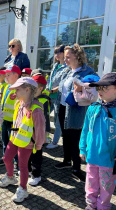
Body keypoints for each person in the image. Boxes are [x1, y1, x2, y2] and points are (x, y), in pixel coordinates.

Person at [52, 44, 97, 182]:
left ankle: (76, 168)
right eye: (64, 57)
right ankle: (66, 161)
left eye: (67, 57)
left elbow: (96, 85)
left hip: (76, 110)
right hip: (62, 107)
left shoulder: (87, 72)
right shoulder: (67, 70)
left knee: (75, 138)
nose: (65, 60)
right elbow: (58, 82)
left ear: (77, 56)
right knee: (65, 136)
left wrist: (83, 86)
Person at [0, 77, 45, 203]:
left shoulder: (36, 109)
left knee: (23, 166)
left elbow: (40, 129)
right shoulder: (18, 104)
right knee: (6, 158)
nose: (14, 93)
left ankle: (23, 189)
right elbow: (16, 120)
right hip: (15, 138)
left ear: (27, 90)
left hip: (27, 142)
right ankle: (10, 177)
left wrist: (39, 144)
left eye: (17, 90)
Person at [79, 73, 116, 210]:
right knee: (91, 184)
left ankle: (103, 206)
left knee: (107, 187)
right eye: (99, 88)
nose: (100, 91)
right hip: (92, 157)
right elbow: (85, 130)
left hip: (109, 159)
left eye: (105, 88)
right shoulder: (93, 108)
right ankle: (91, 205)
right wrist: (82, 148)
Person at [28, 75, 51, 186]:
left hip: (37, 133)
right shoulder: (30, 98)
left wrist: (44, 135)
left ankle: (36, 175)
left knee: (37, 154)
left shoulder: (44, 100)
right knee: (28, 152)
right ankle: (28, 170)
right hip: (27, 131)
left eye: (34, 86)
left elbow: (45, 119)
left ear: (41, 88)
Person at [0, 65, 21, 166]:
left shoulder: (20, 88)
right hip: (4, 119)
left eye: (8, 75)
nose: (6, 77)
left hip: (13, 122)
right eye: (5, 75)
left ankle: (16, 162)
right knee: (5, 141)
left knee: (14, 144)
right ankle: (6, 158)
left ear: (16, 75)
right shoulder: (7, 86)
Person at [46, 45, 67, 149]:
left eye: (59, 52)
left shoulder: (67, 67)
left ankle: (55, 142)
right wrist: (47, 87)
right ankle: (47, 138)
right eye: (55, 52)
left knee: (58, 121)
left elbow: (64, 83)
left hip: (59, 97)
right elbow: (50, 78)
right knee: (46, 117)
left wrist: (54, 89)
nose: (57, 55)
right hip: (50, 96)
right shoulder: (55, 65)